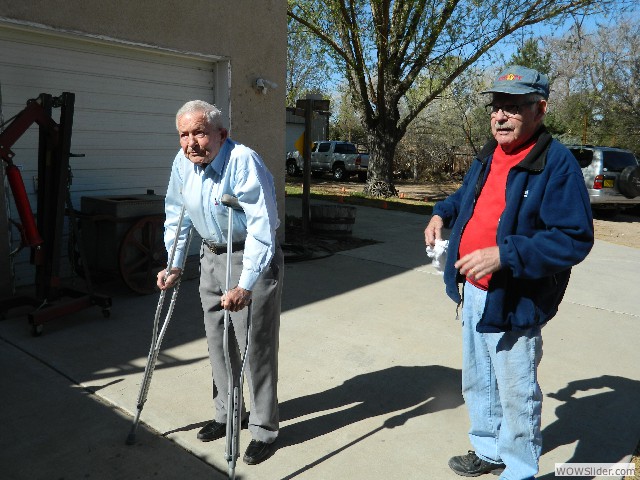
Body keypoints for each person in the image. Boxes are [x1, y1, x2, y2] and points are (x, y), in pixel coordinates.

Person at [424, 66, 594, 479]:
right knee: (478, 381)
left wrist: (505, 255)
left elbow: (574, 238)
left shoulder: (556, 164)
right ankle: (489, 448)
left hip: (516, 297)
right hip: (474, 290)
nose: (500, 116)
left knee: (516, 390)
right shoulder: (490, 154)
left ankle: (519, 469)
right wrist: (439, 213)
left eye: (513, 107)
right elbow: (466, 196)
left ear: (540, 109)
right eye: (497, 107)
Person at [157, 100, 283, 465]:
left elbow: (263, 228)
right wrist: (174, 263)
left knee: (254, 347)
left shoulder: (244, 162)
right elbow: (176, 216)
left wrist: (246, 285)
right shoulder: (183, 164)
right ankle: (228, 413)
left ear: (221, 134)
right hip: (212, 257)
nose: (192, 142)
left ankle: (264, 428)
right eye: (184, 134)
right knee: (217, 342)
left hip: (249, 259)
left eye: (199, 132)